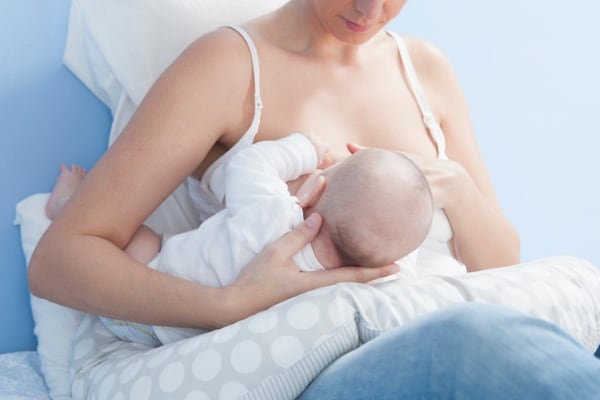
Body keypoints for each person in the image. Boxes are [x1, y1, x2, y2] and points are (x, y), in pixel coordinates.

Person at [29, 0, 600, 398]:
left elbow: (501, 268)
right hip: (320, 358)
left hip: (446, 316)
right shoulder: (228, 67)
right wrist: (230, 304)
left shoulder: (424, 70)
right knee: (474, 342)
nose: (370, 12)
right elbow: (62, 261)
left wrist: (448, 181)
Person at [46, 131, 433, 345]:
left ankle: (66, 205)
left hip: (145, 299)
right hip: (185, 344)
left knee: (138, 238)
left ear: (315, 189)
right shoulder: (351, 289)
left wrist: (305, 149)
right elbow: (398, 264)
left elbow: (250, 164)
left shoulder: (276, 211)